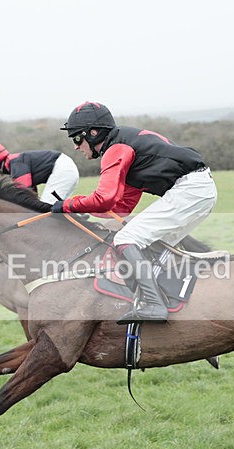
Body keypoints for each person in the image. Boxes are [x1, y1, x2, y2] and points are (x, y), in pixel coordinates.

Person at [53, 101, 217, 324]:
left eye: (77, 139)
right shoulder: (126, 144)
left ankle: (154, 305)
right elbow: (121, 207)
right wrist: (85, 214)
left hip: (190, 190)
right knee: (151, 248)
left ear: (92, 133)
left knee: (126, 239)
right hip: (199, 189)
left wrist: (68, 205)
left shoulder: (116, 149)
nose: (76, 146)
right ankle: (180, 305)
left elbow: (104, 198)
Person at [0, 143, 79, 203]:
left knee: (46, 210)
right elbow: (32, 193)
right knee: (55, 208)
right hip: (66, 168)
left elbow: (23, 193)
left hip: (63, 169)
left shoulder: (16, 163)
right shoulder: (13, 164)